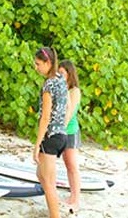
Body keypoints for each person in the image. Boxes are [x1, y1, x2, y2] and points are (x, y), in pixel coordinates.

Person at [33, 47, 68, 218]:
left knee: (48, 183)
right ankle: (55, 210)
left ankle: (55, 215)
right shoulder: (61, 79)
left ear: (48, 63)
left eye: (38, 64)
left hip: (51, 136)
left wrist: (37, 144)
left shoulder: (48, 84)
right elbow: (66, 105)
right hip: (62, 134)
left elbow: (45, 117)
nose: (36, 67)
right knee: (42, 175)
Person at [59, 60, 81, 213]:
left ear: (69, 74)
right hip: (60, 129)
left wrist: (61, 130)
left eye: (62, 73)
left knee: (72, 165)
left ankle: (75, 198)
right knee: (67, 165)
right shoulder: (59, 87)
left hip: (70, 131)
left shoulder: (74, 91)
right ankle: (72, 196)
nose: (59, 76)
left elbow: (69, 112)